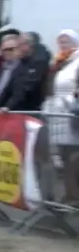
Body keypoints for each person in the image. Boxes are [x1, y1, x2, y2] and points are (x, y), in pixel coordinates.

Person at [42, 30, 79, 204]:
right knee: (62, 157)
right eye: (60, 41)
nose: (63, 45)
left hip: (71, 113)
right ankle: (67, 193)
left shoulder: (77, 61)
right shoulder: (59, 62)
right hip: (57, 113)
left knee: (73, 156)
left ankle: (73, 195)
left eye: (67, 41)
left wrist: (70, 101)